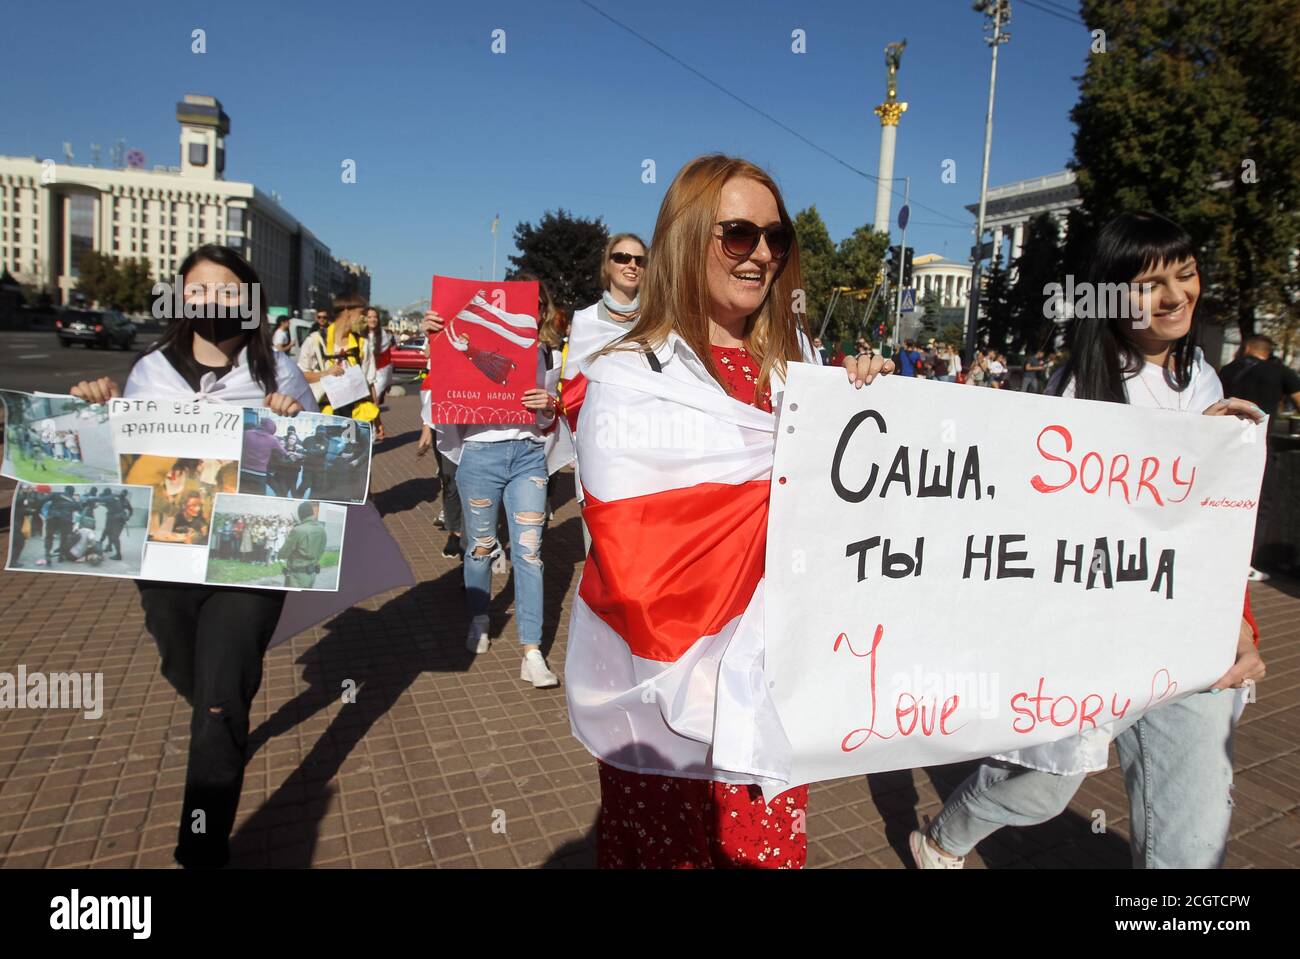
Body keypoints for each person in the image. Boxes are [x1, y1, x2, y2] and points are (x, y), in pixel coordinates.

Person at [911, 211, 1266, 871]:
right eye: (1148, 283)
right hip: (1091, 637)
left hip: (1188, 645)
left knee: (1191, 840)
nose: (1174, 295)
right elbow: (1044, 527)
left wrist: (1237, 624)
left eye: (1184, 274)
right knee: (1043, 785)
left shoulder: (1208, 385)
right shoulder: (1076, 391)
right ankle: (943, 836)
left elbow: (1223, 532)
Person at [565, 154, 892, 869]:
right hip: (663, 686)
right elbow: (631, 546)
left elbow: (846, 511)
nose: (765, 254)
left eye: (778, 237)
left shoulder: (803, 366)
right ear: (687, 237)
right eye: (739, 234)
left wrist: (871, 402)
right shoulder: (628, 372)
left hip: (773, 688)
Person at [69, 242, 315, 869]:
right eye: (200, 289)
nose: (214, 301)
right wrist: (94, 408)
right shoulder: (150, 371)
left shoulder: (279, 373)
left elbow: (319, 466)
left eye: (229, 289)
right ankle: (221, 710)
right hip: (165, 558)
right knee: (187, 670)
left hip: (248, 558)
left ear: (251, 299)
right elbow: (115, 462)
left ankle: (200, 849)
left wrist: (292, 420)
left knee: (217, 703)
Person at [420, 276, 565, 688]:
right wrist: (437, 340)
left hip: (528, 457)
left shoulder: (545, 355)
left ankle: (532, 651)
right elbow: (444, 394)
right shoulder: (466, 345)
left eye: (532, 309)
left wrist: (547, 405)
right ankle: (480, 619)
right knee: (480, 547)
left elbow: (548, 420)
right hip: (480, 455)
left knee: (530, 553)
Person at [557, 232, 648, 552]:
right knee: (601, 551)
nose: (632, 265)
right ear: (606, 266)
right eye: (622, 257)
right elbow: (573, 391)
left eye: (640, 260)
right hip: (602, 447)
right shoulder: (584, 321)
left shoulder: (658, 320)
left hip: (650, 449)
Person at [1218, 334, 1300, 582]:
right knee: (1259, 505)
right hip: (1258, 447)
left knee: (1221, 500)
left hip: (1224, 445)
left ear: (1246, 348)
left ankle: (1219, 553)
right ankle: (1247, 562)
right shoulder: (1280, 372)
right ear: (1267, 351)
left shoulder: (1228, 370)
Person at [298, 293, 384, 439]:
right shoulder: (315, 341)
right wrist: (325, 373)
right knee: (328, 457)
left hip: (357, 414)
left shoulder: (362, 344)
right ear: (347, 311)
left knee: (355, 459)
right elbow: (301, 375)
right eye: (361, 313)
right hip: (325, 414)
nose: (364, 318)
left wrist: (377, 419)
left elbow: (369, 384)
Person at [278, 501, 328, 587]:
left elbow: (282, 554)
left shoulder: (297, 530)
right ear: (312, 513)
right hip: (312, 574)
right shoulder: (322, 529)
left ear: (300, 515)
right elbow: (321, 550)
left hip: (297, 576)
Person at [239, 417, 290, 495]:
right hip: (260, 474)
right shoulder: (273, 439)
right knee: (259, 497)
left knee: (242, 494)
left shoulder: (246, 433)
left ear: (261, 425)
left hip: (243, 471)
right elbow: (284, 453)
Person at [363, 307, 395, 405]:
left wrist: (388, 382)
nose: (373, 319)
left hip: (378, 376)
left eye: (375, 317)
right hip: (361, 376)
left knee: (373, 406)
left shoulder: (382, 335)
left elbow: (387, 360)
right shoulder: (358, 334)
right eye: (369, 317)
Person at [100, 490, 133, 561]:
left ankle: (118, 555)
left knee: (114, 536)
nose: (122, 494)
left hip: (118, 521)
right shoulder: (115, 498)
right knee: (108, 532)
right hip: (112, 519)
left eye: (124, 494)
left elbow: (130, 509)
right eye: (122, 493)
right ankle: (109, 547)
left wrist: (128, 516)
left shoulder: (124, 501)